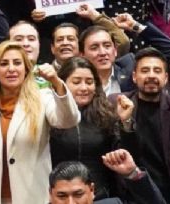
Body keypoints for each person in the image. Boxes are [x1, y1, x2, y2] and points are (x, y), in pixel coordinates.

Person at [0, 41, 80, 203]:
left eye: (17, 63)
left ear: (26, 69)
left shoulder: (43, 97)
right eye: (4, 64)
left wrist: (56, 83)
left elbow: (68, 120)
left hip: (33, 198)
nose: (11, 69)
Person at [116, 48, 170, 204]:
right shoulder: (119, 103)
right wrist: (126, 121)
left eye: (157, 71)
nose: (151, 75)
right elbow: (125, 151)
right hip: (134, 191)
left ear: (165, 78)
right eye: (145, 70)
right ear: (134, 77)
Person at [50, 57, 120, 199]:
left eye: (89, 82)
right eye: (76, 82)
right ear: (62, 84)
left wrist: (126, 123)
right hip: (60, 196)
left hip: (100, 195)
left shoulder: (107, 114)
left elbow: (122, 154)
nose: (84, 88)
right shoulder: (50, 114)